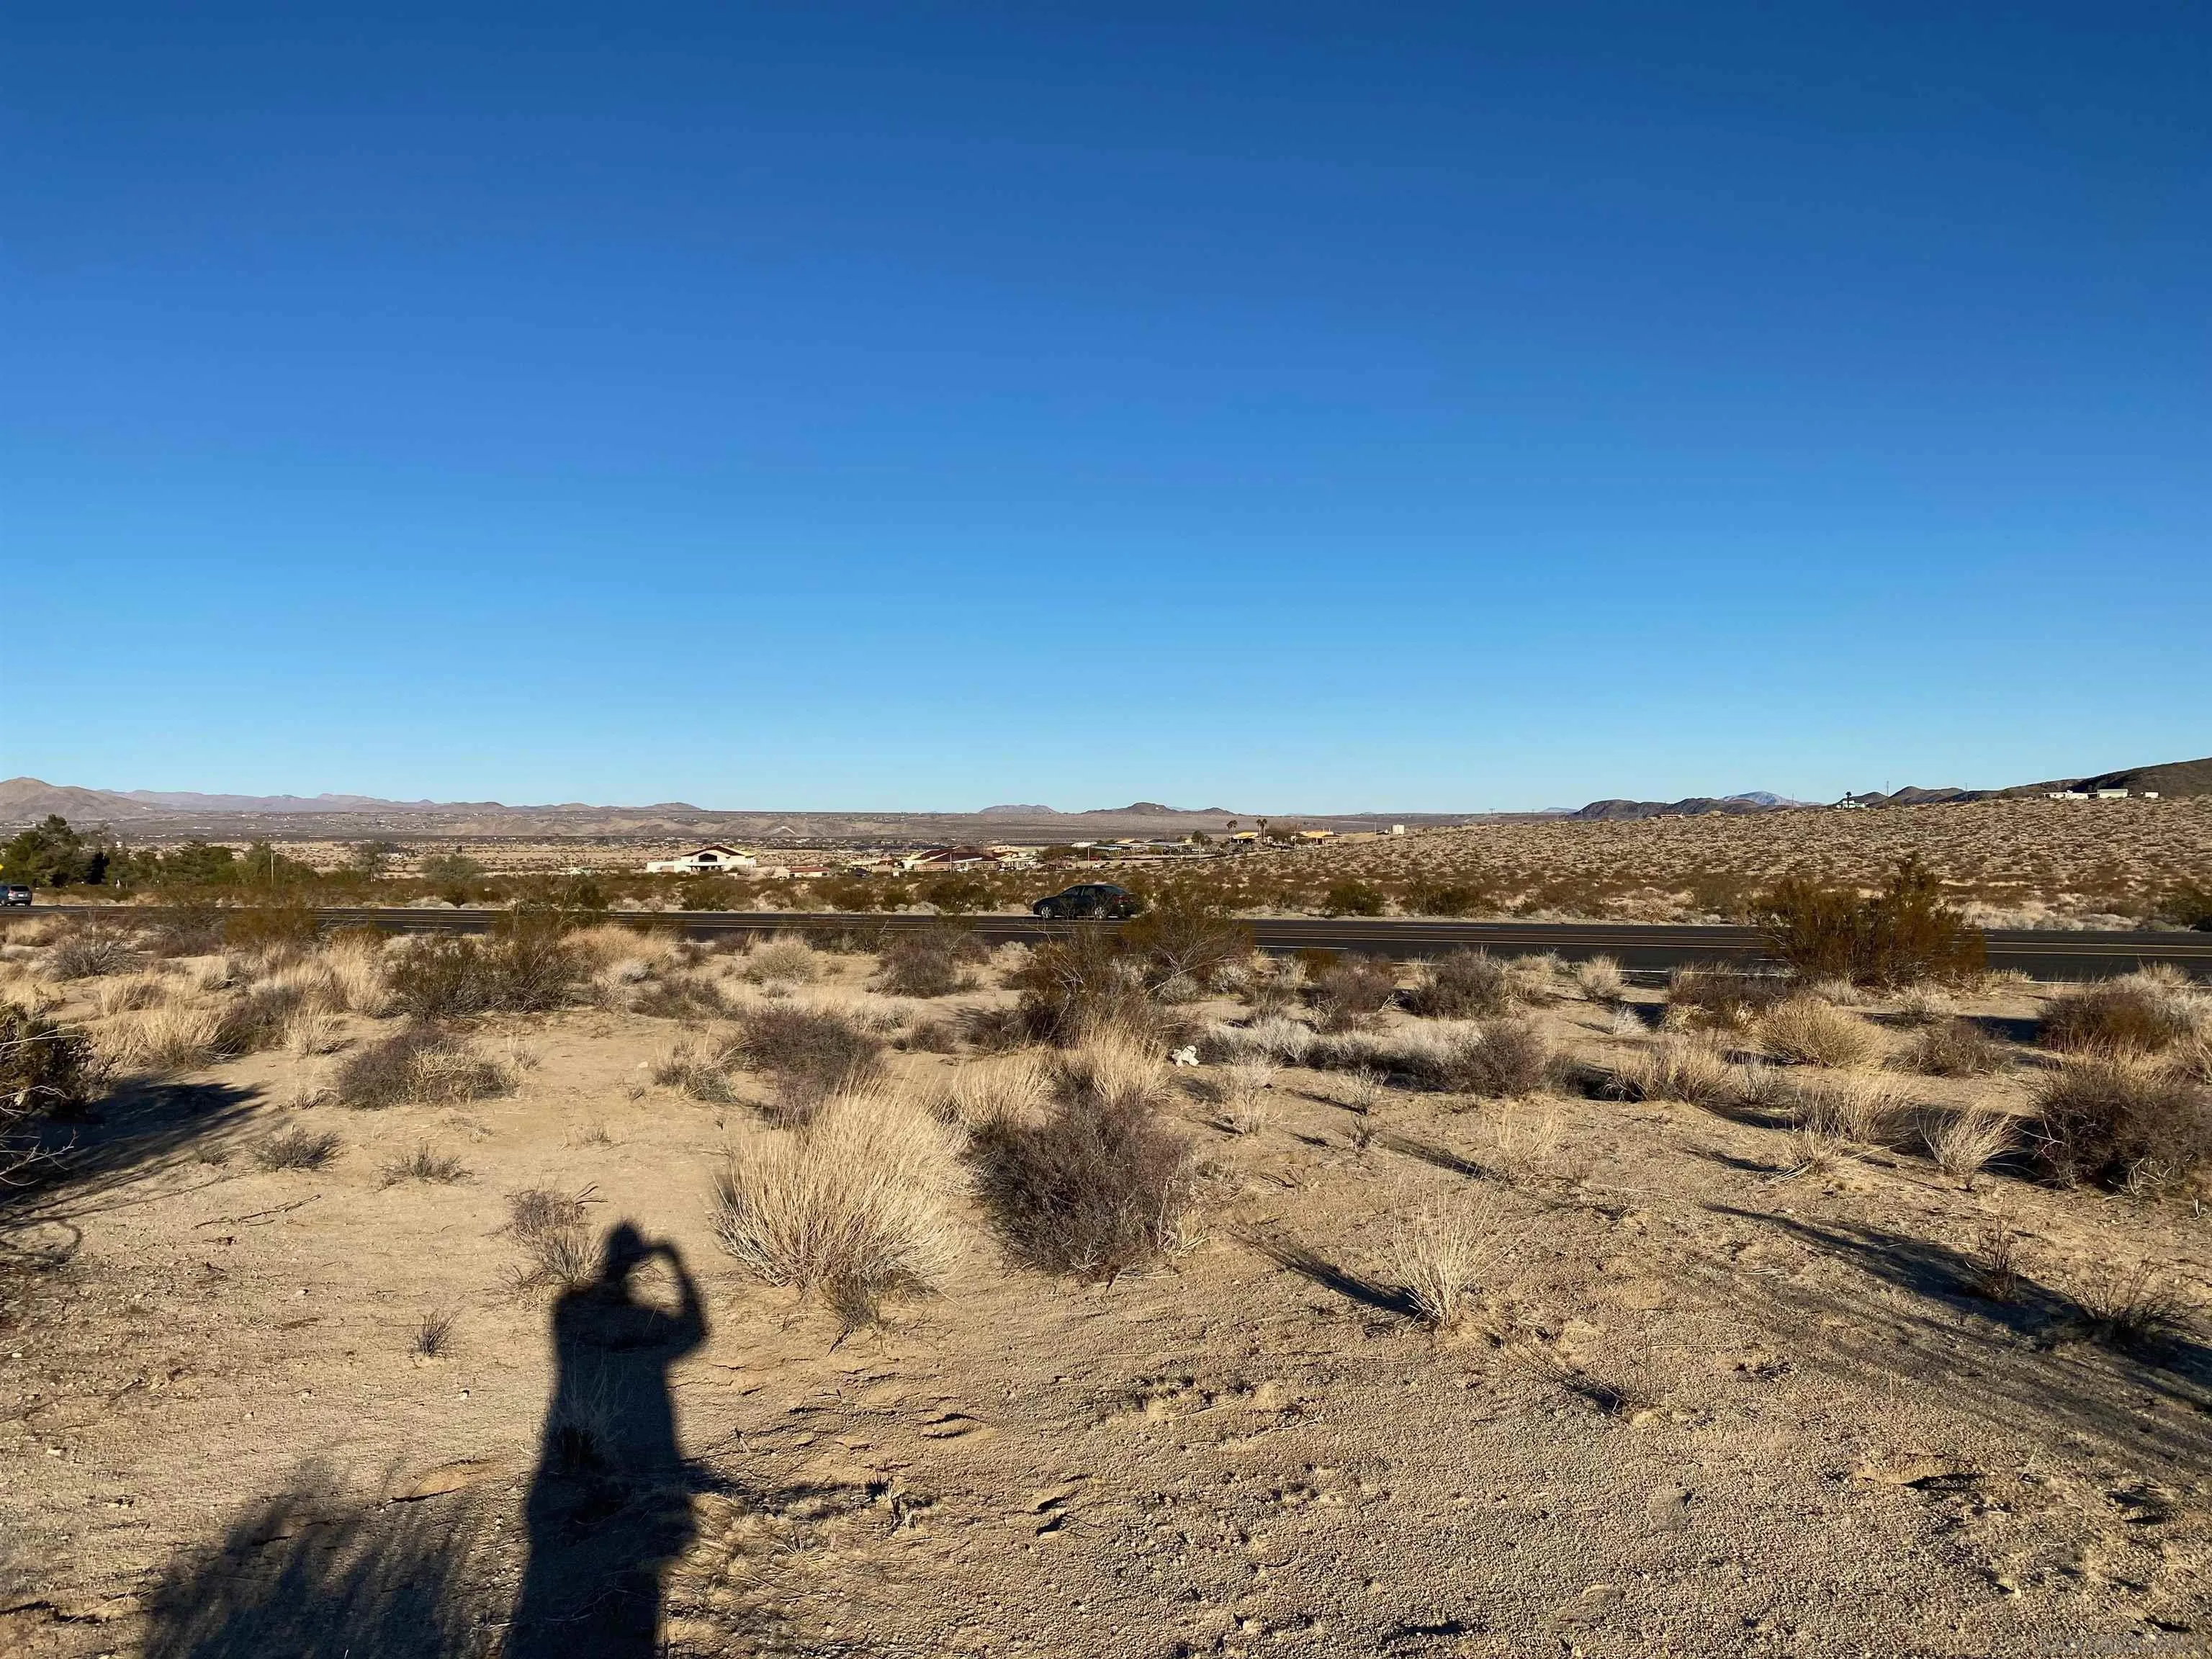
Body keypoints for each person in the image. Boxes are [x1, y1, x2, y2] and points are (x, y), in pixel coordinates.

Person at [509, 1223, 707, 1658]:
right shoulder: (616, 1313)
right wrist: (680, 1271)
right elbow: (694, 1335)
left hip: (569, 1434)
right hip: (632, 1435)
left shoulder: (570, 1306)